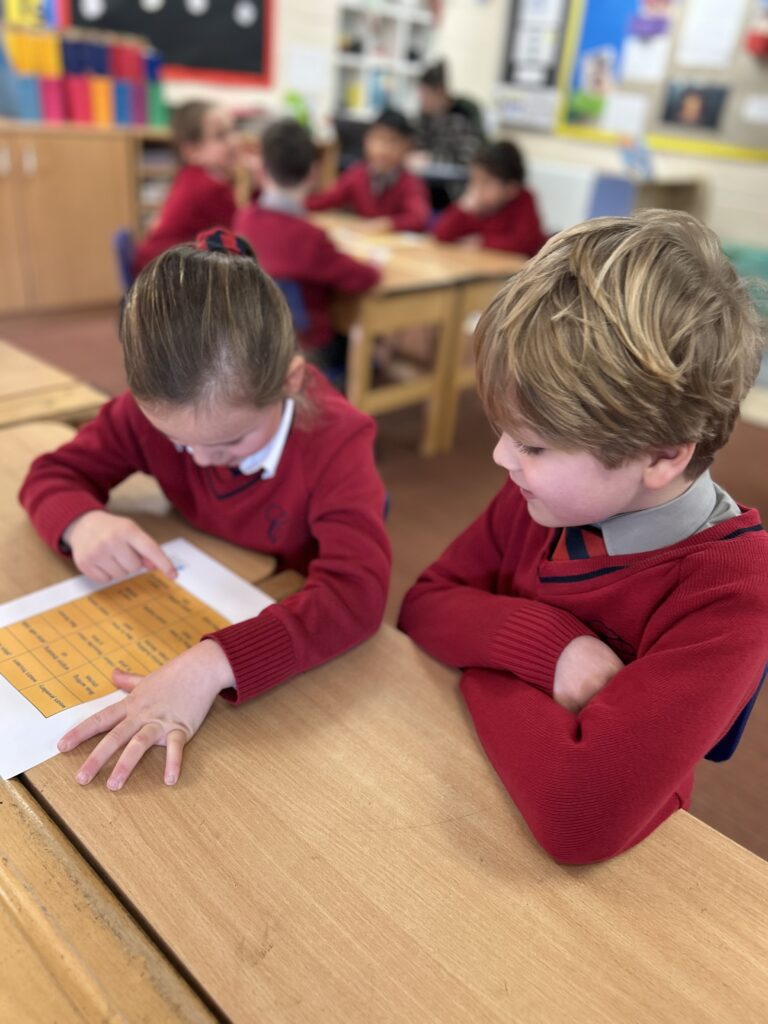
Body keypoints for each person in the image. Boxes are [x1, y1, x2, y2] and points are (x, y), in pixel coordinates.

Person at [399, 210, 768, 865]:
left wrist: (482, 651)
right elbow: (424, 605)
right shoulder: (542, 498)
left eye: (533, 444)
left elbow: (579, 818)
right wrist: (552, 650)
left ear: (661, 456)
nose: (502, 459)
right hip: (459, 780)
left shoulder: (736, 592)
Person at [20, 229, 391, 791]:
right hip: (216, 575)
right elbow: (52, 474)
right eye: (177, 441)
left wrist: (212, 664)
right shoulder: (154, 411)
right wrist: (81, 521)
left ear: (290, 382)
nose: (200, 459)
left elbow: (357, 591)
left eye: (229, 443)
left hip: (292, 622)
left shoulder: (337, 441)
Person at [235, 119, 380, 365]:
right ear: (313, 173)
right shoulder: (310, 237)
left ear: (262, 169)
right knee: (361, 343)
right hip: (308, 349)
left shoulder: (244, 218)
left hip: (256, 342)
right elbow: (365, 278)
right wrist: (376, 263)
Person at [133, 102, 240, 275]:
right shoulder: (211, 186)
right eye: (220, 136)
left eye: (233, 130)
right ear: (191, 151)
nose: (233, 141)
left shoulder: (191, 176)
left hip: (158, 268)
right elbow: (240, 240)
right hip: (165, 275)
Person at [307, 108, 430, 233]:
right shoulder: (357, 174)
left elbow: (418, 218)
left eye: (392, 141)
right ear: (366, 141)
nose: (383, 149)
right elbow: (325, 200)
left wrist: (388, 224)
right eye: (377, 139)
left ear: (406, 146)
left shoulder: (410, 182)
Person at [433, 141, 546, 256]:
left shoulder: (524, 200)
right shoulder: (471, 208)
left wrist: (482, 242)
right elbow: (441, 236)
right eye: (473, 180)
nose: (477, 189)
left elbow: (524, 244)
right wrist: (461, 208)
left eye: (486, 182)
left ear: (511, 189)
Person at [411, 62, 485, 208]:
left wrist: (432, 160)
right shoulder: (423, 119)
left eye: (426, 95)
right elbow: (415, 149)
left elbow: (469, 161)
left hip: (454, 192)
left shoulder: (462, 118)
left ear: (440, 92)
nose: (422, 100)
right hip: (423, 189)